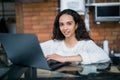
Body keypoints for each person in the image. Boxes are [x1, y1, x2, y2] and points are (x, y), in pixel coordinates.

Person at [40, 9, 110, 64]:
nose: (65, 28)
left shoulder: (86, 44)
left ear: (76, 25)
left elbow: (104, 56)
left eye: (69, 23)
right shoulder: (54, 44)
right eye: (62, 24)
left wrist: (64, 58)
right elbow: (33, 50)